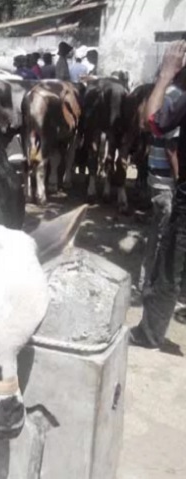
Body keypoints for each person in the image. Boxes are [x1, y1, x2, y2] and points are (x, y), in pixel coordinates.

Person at [130, 40, 186, 349]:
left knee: (167, 259)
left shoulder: (176, 96)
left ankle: (150, 332)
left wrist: (164, 76)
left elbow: (154, 124)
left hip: (173, 185)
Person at [139, 71, 184, 294]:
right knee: (163, 233)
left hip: (160, 176)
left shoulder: (167, 93)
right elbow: (171, 147)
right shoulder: (178, 97)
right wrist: (179, 182)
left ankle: (149, 280)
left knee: (159, 230)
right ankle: (150, 282)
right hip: (168, 179)